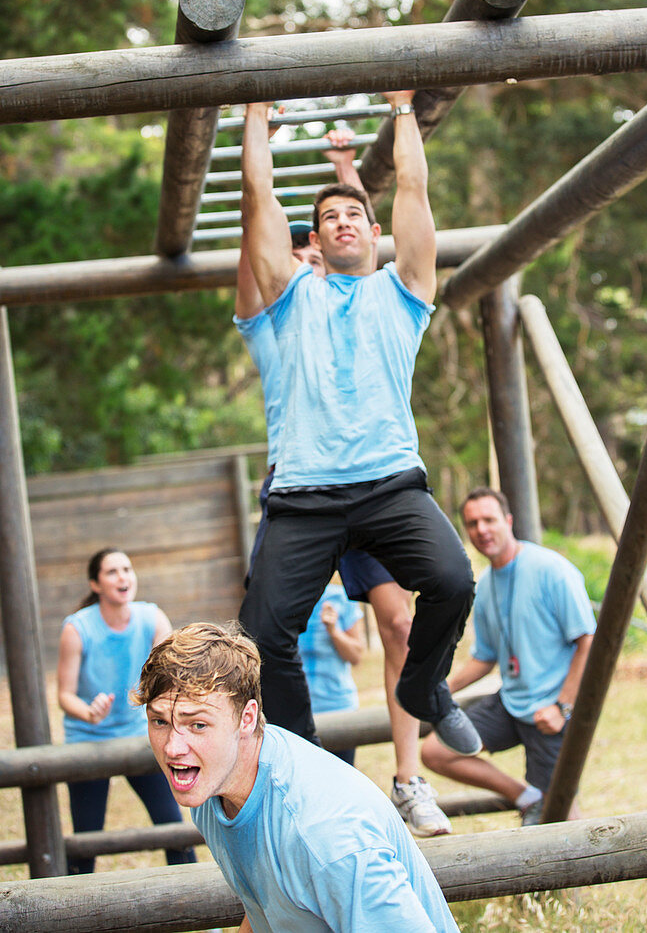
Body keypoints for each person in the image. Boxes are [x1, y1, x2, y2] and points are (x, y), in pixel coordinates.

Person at [237, 90, 479, 763]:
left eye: (354, 214)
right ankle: (306, 758)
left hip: (388, 486)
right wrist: (255, 115)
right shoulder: (290, 295)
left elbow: (412, 186)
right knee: (262, 632)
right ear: (311, 241)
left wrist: (403, 108)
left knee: (454, 580)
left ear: (372, 234)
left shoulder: (403, 292)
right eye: (329, 218)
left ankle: (425, 688)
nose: (344, 221)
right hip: (304, 498)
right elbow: (259, 198)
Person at [137, 622, 460, 933]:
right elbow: (271, 905)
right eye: (160, 721)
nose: (173, 747)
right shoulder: (212, 784)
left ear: (247, 719)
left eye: (198, 725)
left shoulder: (325, 837)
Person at [421, 488, 596, 826]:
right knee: (436, 751)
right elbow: (485, 658)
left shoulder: (551, 569)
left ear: (508, 521)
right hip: (511, 702)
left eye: (489, 519)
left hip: (552, 707)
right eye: (472, 524)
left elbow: (589, 642)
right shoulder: (484, 585)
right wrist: (440, 687)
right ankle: (524, 796)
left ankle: (582, 872)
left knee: (560, 812)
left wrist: (562, 706)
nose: (482, 530)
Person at [57, 547, 197, 873]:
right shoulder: (76, 628)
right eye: (112, 572)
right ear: (95, 584)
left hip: (139, 736)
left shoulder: (152, 618)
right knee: (85, 838)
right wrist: (89, 712)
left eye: (127, 569)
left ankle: (206, 917)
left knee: (173, 827)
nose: (123, 577)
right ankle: (73, 909)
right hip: (88, 739)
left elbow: (170, 678)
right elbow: (65, 695)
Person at [299, 580, 364, 765]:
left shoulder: (341, 597)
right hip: (301, 712)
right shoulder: (287, 598)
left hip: (339, 707)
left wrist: (334, 631)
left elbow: (356, 656)